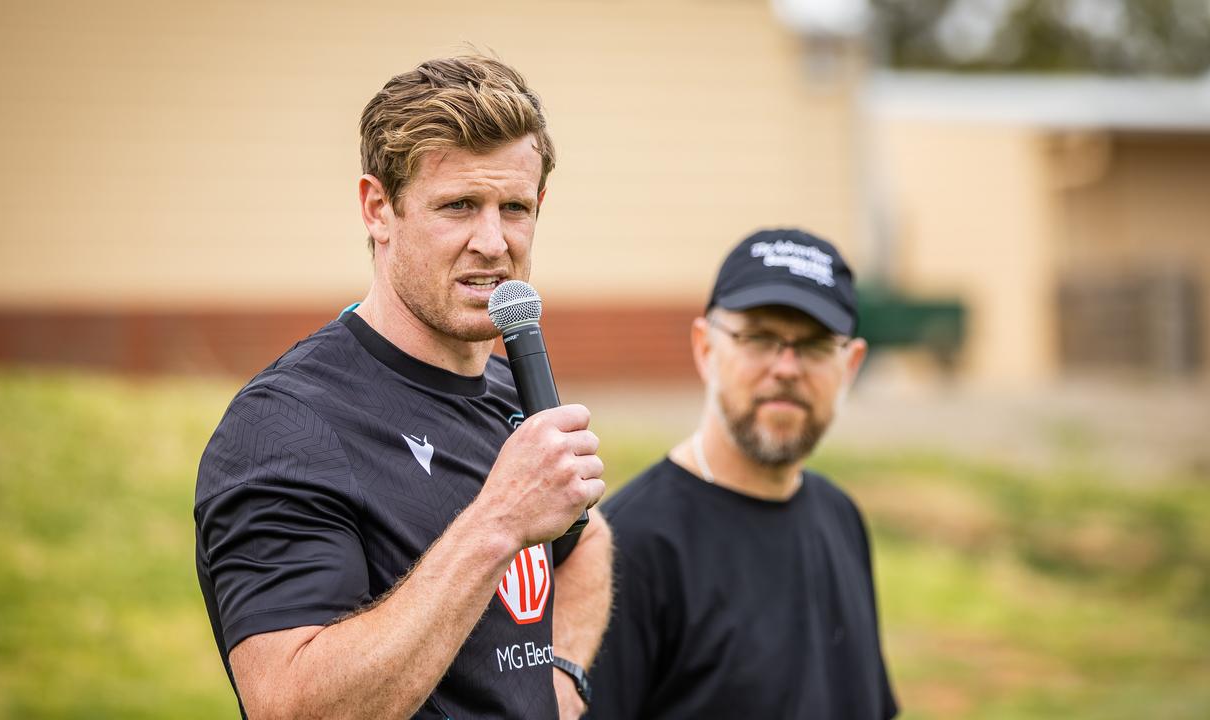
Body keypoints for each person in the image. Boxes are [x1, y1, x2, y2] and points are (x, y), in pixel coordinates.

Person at [195, 54, 613, 720]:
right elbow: (291, 707)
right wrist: (498, 521)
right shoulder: (285, 427)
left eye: (514, 208)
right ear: (378, 208)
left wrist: (561, 679)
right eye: (458, 207)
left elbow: (585, 540)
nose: (493, 241)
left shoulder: (512, 389)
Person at [583, 229, 898, 719]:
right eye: (759, 338)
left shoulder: (841, 518)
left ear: (851, 365)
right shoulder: (632, 546)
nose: (786, 368)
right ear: (705, 348)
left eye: (814, 345)